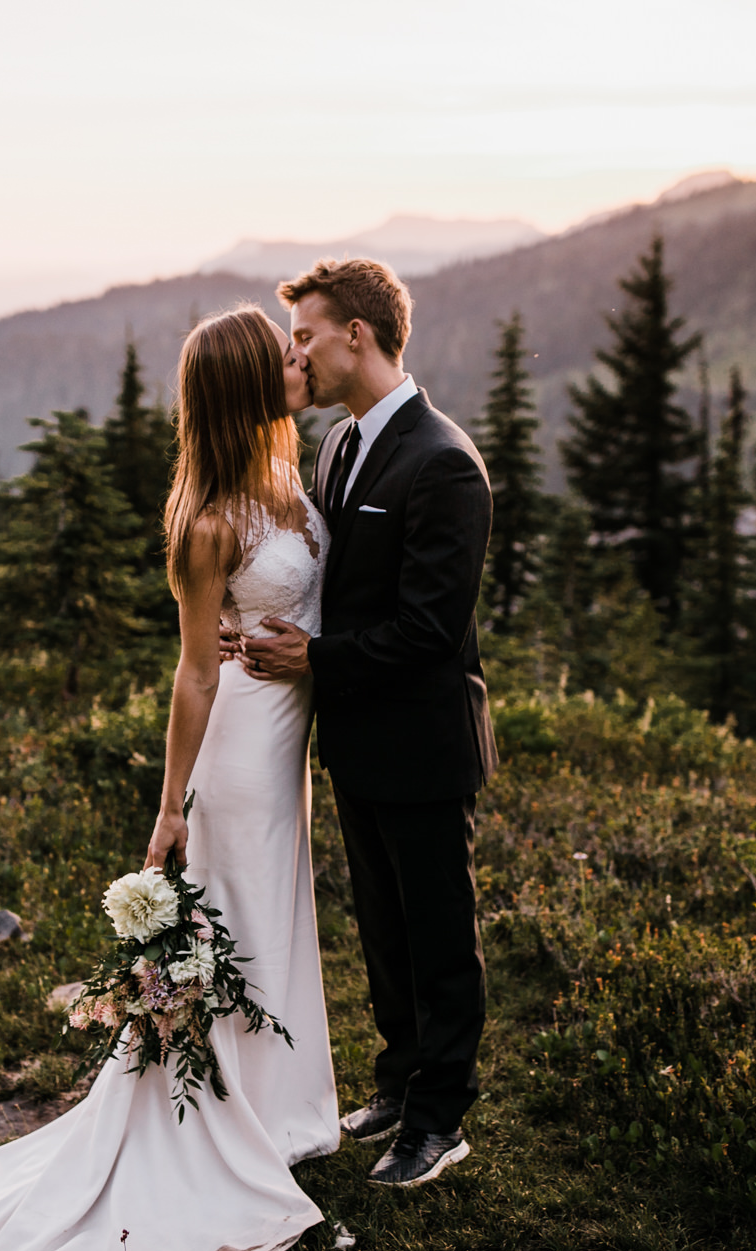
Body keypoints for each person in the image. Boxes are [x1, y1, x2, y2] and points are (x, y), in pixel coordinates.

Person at [0, 305, 338, 1251]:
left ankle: (279, 1109)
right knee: (231, 925)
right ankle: (225, 1131)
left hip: (289, 744)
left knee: (277, 918)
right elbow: (194, 674)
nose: (298, 361)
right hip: (236, 750)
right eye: (281, 355)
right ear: (241, 384)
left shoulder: (287, 474)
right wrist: (170, 808)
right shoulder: (207, 519)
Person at [238, 258, 496, 1188]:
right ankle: (397, 1079)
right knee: (384, 929)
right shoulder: (341, 448)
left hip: (424, 740)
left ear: (358, 333)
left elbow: (431, 630)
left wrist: (315, 661)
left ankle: (440, 1118)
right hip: (356, 740)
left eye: (305, 334)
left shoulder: (443, 462)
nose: (294, 352)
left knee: (437, 931)